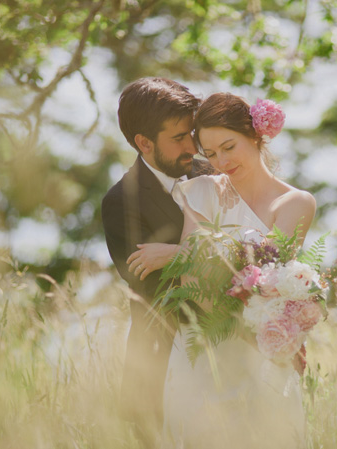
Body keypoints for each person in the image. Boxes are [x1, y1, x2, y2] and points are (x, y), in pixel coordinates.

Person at [129, 92, 316, 448]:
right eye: (211, 154)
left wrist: (175, 252)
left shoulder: (294, 203)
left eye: (229, 147)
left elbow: (272, 283)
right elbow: (193, 281)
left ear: (256, 136)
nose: (222, 162)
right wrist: (196, 258)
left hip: (262, 347)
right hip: (202, 348)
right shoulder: (201, 191)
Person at [100, 77, 209, 448]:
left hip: (233, 347)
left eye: (191, 132)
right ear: (144, 143)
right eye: (179, 138)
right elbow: (158, 290)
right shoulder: (121, 203)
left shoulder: (214, 172)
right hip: (163, 365)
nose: (192, 146)